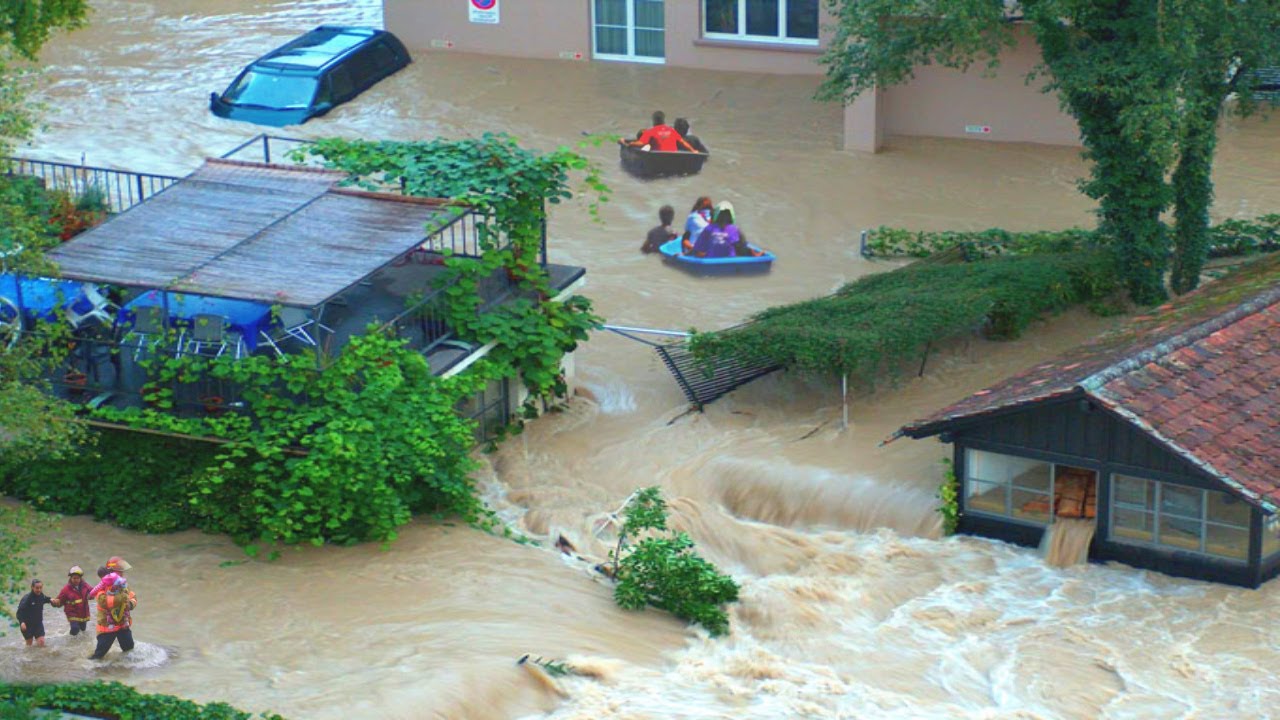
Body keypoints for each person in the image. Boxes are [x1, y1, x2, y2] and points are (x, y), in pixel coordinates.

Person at [89, 575, 136, 660]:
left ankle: (125, 671)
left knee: (129, 650)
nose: (121, 573)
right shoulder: (102, 588)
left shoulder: (124, 585)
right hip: (107, 627)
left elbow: (133, 596)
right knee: (98, 655)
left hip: (123, 625)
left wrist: (131, 604)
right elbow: (106, 602)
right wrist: (123, 597)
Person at [619, 111, 696, 153]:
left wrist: (628, 144)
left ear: (654, 121)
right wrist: (693, 150)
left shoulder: (650, 132)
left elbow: (641, 143)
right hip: (673, 155)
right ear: (663, 120)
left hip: (657, 156)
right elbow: (683, 142)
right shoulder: (671, 130)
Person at [54, 566, 94, 637]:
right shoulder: (66, 589)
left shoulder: (85, 585)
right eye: (74, 578)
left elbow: (93, 591)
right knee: (75, 629)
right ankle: (70, 641)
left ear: (80, 578)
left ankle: (79, 645)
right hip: (72, 612)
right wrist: (55, 603)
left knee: (83, 630)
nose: (76, 580)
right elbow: (59, 600)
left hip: (83, 612)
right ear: (70, 578)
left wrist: (91, 596)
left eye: (77, 578)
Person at [16, 579, 52, 648]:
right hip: (27, 625)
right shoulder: (27, 598)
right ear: (32, 587)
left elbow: (45, 599)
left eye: (40, 588)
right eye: (37, 588)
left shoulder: (41, 595)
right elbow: (19, 612)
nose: (39, 590)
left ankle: (40, 658)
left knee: (41, 643)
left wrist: (51, 600)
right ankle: (28, 658)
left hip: (38, 624)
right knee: (29, 646)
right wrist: (22, 622)